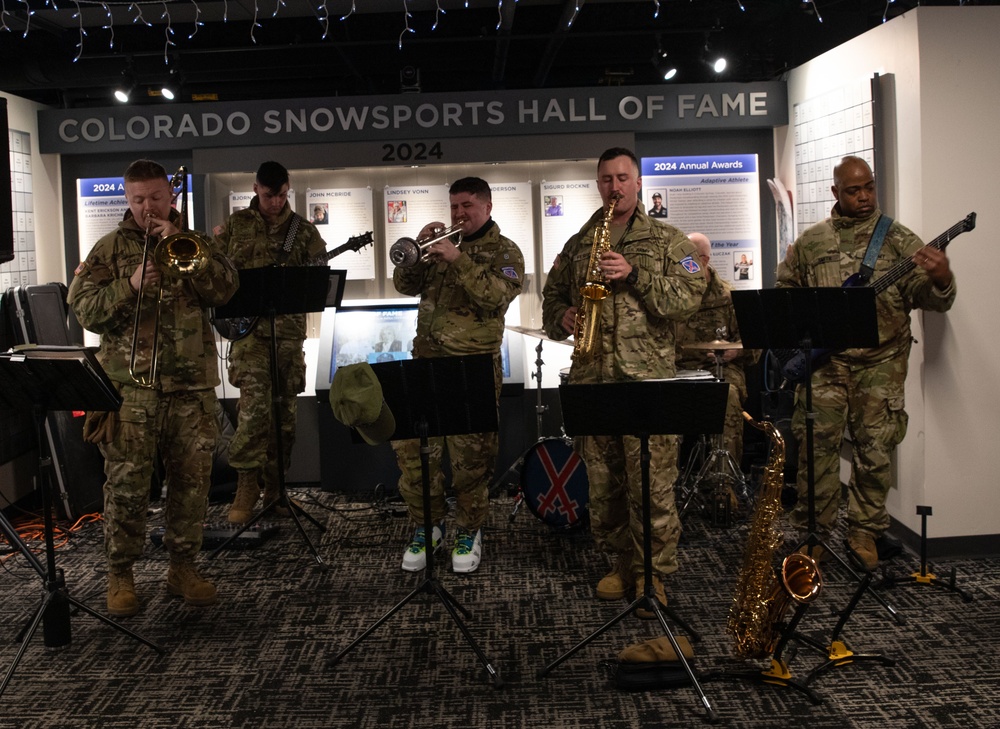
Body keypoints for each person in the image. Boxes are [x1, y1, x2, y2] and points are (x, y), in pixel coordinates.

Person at [67, 159, 238, 616]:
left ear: (171, 198)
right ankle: (120, 576)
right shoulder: (106, 249)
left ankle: (183, 568)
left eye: (156, 198)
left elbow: (225, 291)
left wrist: (186, 258)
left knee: (191, 484)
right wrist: (131, 284)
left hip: (189, 389)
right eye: (138, 199)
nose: (147, 207)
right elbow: (84, 311)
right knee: (126, 487)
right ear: (128, 199)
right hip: (130, 393)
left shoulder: (195, 243)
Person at [541, 147, 706, 616]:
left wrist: (635, 276)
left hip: (646, 381)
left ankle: (653, 574)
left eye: (623, 178)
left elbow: (688, 300)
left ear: (638, 181)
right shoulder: (579, 241)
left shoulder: (670, 241)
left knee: (651, 483)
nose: (615, 187)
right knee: (604, 481)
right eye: (606, 180)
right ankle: (619, 562)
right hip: (593, 379)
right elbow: (550, 300)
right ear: (598, 185)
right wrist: (562, 316)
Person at [776, 155, 956, 569]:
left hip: (881, 364)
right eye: (853, 190)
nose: (863, 196)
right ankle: (813, 534)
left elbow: (927, 298)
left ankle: (865, 533)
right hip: (826, 365)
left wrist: (942, 277)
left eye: (869, 187)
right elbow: (787, 292)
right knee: (815, 453)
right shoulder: (812, 241)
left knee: (875, 453)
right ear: (835, 192)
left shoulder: (897, 238)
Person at [392, 176, 524, 574]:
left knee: (470, 458)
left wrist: (458, 259)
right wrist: (417, 251)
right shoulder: (440, 248)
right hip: (427, 363)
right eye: (454, 207)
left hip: (473, 367)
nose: (459, 214)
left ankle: (469, 529)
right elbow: (403, 285)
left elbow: (498, 296)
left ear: (486, 206)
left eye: (467, 206)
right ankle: (426, 525)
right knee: (418, 454)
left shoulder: (505, 251)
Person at [214, 161, 328, 524]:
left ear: (288, 188)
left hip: (288, 337)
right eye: (268, 195)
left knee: (284, 417)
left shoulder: (303, 231)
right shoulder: (236, 226)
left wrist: (314, 275)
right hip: (249, 338)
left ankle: (276, 490)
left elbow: (319, 281)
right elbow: (215, 275)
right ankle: (246, 487)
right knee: (253, 413)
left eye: (281, 195)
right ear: (255, 189)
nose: (276, 202)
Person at [674, 233, 758, 470]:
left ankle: (723, 481)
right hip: (678, 371)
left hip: (719, 370)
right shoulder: (671, 297)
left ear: (704, 260)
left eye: (686, 259)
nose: (681, 265)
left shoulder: (728, 297)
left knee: (728, 395)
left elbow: (753, 348)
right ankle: (667, 485)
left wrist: (734, 353)